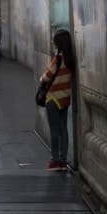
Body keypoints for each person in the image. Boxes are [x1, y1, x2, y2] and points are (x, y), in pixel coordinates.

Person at [40, 29, 75, 171]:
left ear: (59, 42)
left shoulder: (58, 58)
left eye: (54, 40)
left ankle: (54, 160)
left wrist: (42, 77)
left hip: (53, 98)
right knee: (63, 129)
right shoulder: (70, 59)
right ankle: (63, 160)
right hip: (65, 98)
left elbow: (46, 77)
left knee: (54, 130)